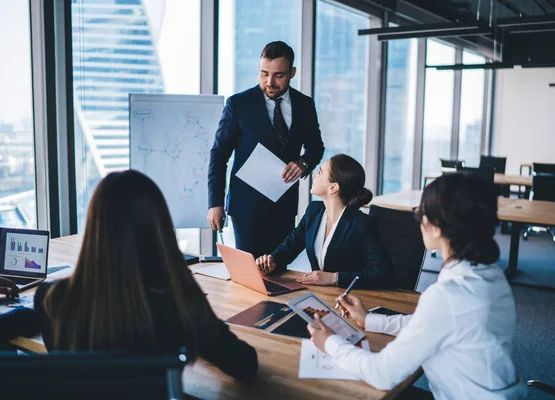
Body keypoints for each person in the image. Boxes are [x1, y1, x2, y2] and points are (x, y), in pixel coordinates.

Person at [308, 173, 527, 399]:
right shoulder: (491, 275)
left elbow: (382, 373)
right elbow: (429, 321)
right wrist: (369, 319)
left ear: (437, 227)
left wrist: (330, 343)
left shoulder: (447, 296)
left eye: (421, 213)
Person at [34, 170, 257, 380]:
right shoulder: (178, 303)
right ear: (158, 228)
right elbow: (244, 364)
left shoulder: (51, 299)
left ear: (95, 227)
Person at [208, 41, 324, 258]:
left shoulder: (305, 105)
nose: (269, 82)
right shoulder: (238, 104)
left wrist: (303, 163)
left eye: (279, 75)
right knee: (250, 272)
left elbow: (316, 148)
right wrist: (215, 203)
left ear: (292, 72)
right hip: (247, 209)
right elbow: (219, 154)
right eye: (264, 74)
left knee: (279, 271)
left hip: (284, 206)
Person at [256, 154, 393, 289]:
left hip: (348, 300)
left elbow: (384, 275)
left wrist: (334, 278)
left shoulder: (362, 224)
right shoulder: (314, 211)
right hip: (318, 296)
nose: (314, 175)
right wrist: (271, 261)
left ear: (333, 187)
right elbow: (290, 247)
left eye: (320, 172)